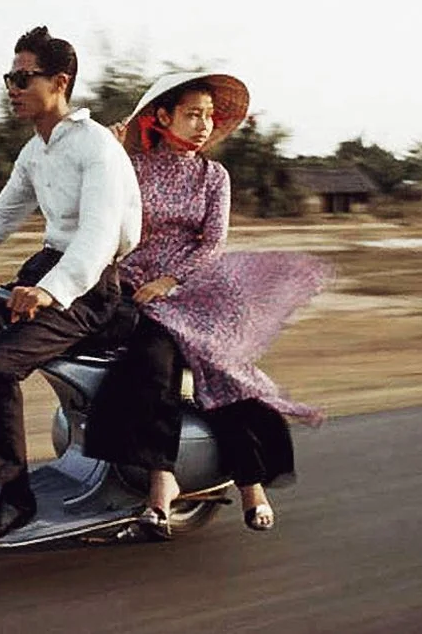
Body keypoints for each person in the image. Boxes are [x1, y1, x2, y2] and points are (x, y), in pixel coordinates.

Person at [83, 71, 332, 538]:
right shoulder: (130, 168)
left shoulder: (214, 176)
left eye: (208, 116)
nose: (203, 125)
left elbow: (212, 242)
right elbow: (95, 213)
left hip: (197, 290)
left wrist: (170, 280)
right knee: (149, 361)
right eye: (192, 114)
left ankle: (250, 484)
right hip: (137, 291)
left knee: (223, 370)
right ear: (162, 117)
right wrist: (108, 152)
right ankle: (162, 480)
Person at [0, 26, 142, 539]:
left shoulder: (95, 147)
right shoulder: (37, 150)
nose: (13, 87)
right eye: (10, 77)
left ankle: (15, 499)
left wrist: (51, 290)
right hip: (47, 270)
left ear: (60, 81)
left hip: (88, 289)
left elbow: (97, 238)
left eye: (24, 77)